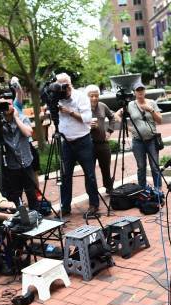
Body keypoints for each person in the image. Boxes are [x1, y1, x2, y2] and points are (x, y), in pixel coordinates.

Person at [55, 73, 100, 218]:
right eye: (60, 85)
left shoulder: (80, 96)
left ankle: (94, 205)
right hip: (66, 142)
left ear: (70, 84)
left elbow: (87, 119)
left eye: (65, 85)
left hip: (83, 141)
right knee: (65, 175)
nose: (63, 89)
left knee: (90, 174)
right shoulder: (57, 97)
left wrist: (70, 112)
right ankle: (65, 206)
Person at [0, 97, 38, 210]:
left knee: (31, 193)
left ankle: (36, 215)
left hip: (26, 162)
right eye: (2, 105)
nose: (6, 107)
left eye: (8, 104)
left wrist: (16, 118)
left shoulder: (21, 117)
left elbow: (28, 133)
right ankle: (21, 218)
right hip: (10, 165)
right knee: (14, 196)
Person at [123, 83, 162, 190]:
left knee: (154, 166)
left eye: (142, 89)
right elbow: (117, 115)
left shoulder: (152, 103)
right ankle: (142, 189)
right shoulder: (130, 105)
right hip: (138, 141)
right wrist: (129, 128)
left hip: (152, 140)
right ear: (134, 92)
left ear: (145, 91)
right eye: (138, 90)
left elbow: (160, 120)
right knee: (141, 167)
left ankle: (158, 188)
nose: (140, 92)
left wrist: (151, 110)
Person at [87, 84, 116, 194]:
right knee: (90, 170)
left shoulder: (103, 106)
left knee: (106, 167)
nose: (94, 98)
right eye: (91, 96)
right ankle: (92, 192)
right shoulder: (83, 109)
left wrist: (109, 131)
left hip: (103, 143)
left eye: (96, 95)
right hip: (89, 143)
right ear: (87, 96)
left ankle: (109, 187)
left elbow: (112, 117)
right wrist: (88, 127)